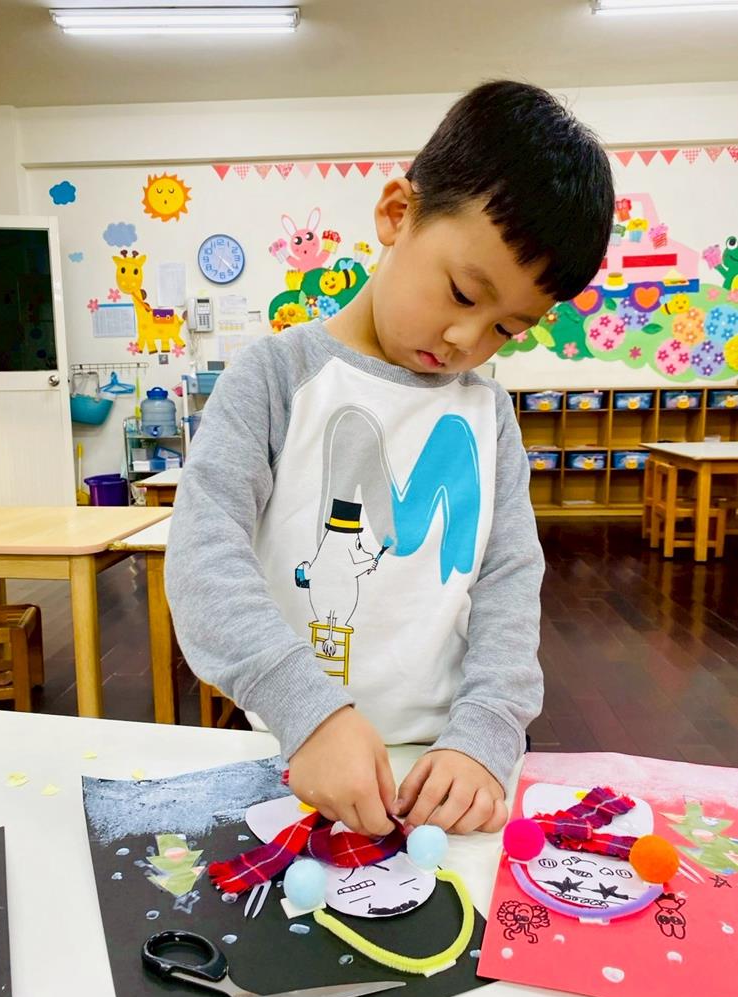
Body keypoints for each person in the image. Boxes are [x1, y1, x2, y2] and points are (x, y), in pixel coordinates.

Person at [165, 79, 614, 839]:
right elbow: (204, 557)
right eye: (462, 293)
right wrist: (308, 712)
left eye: (507, 329)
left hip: (448, 766)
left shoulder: (487, 415)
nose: (468, 340)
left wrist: (487, 731)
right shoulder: (273, 378)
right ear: (397, 214)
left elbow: (508, 581)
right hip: (293, 748)